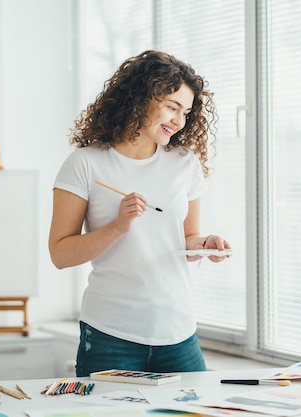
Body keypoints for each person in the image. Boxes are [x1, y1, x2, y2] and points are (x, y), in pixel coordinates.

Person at [48, 50, 231, 376]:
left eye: (186, 112)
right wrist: (118, 226)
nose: (179, 120)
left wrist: (205, 245)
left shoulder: (184, 163)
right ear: (139, 98)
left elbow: (186, 239)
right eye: (171, 107)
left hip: (179, 331)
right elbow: (60, 253)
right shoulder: (86, 164)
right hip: (110, 334)